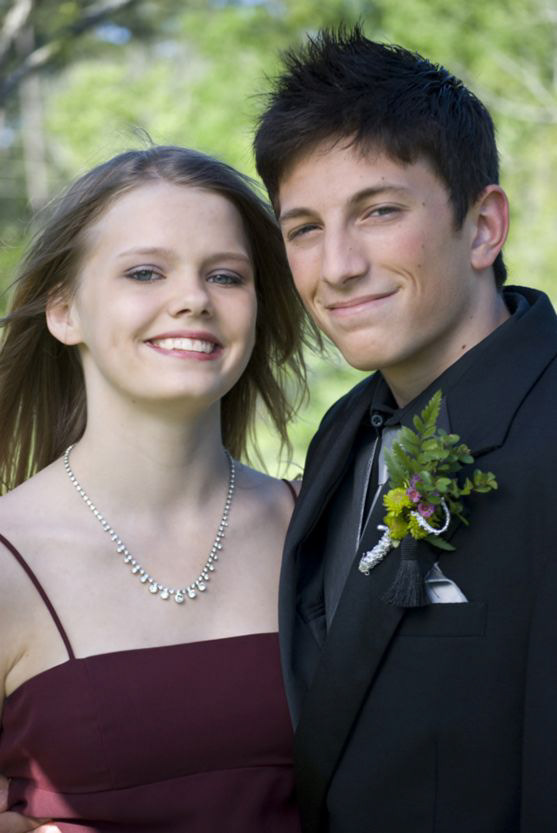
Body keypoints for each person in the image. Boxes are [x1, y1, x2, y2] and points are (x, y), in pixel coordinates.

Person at [250, 26, 557, 833]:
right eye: (303, 228)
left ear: (482, 225)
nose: (337, 266)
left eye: (378, 211)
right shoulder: (342, 432)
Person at [0, 144, 315, 832]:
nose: (193, 299)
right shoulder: (7, 562)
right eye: (145, 272)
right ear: (64, 311)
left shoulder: (320, 525)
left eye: (225, 276)